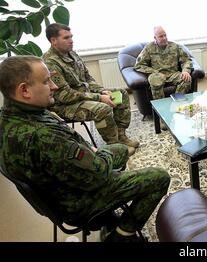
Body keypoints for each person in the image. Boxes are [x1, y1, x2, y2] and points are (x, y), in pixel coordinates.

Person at [0, 56, 171, 242]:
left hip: (61, 187)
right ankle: (122, 236)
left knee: (120, 150)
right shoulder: (43, 136)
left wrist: (90, 150)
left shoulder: (11, 118)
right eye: (46, 81)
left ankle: (111, 216)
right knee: (159, 177)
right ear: (24, 90)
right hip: (79, 201)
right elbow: (99, 172)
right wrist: (96, 154)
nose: (54, 86)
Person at [42, 23, 139, 156]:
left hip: (83, 96)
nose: (71, 40)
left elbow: (88, 78)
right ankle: (115, 147)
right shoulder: (50, 63)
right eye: (66, 38)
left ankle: (121, 136)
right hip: (65, 105)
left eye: (71, 36)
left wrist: (101, 91)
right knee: (102, 109)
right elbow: (65, 95)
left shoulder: (72, 54)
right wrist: (99, 97)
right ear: (53, 40)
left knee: (120, 94)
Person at [134, 26, 193, 129]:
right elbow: (139, 65)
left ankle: (176, 109)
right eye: (161, 36)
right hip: (157, 75)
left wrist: (185, 71)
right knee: (155, 81)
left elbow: (186, 60)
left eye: (165, 35)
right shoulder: (149, 48)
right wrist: (154, 71)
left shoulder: (175, 46)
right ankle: (162, 116)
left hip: (172, 74)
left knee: (186, 80)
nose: (164, 38)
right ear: (155, 38)